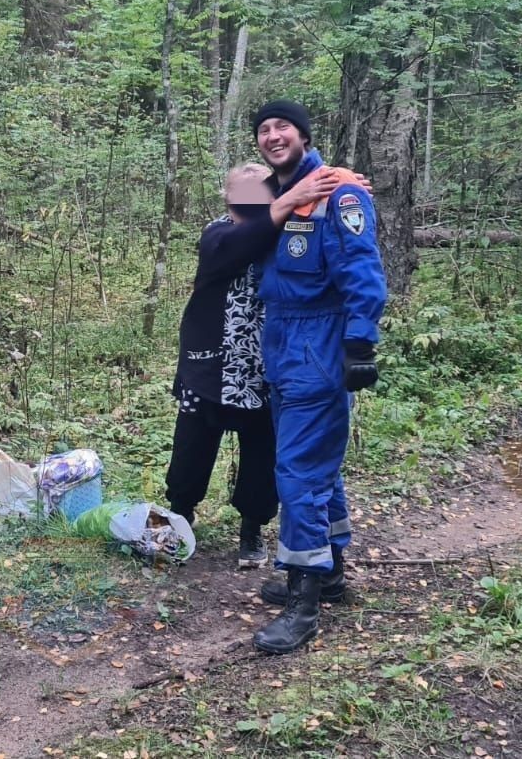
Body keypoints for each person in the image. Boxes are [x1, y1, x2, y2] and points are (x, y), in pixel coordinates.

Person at [249, 100, 386, 655]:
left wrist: (359, 343)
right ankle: (328, 574)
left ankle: (302, 604)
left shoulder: (341, 194)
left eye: (283, 127)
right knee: (317, 466)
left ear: (304, 135)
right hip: (280, 343)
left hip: (320, 345)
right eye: (263, 129)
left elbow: (362, 270)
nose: (273, 136)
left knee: (299, 472)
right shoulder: (270, 198)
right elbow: (232, 233)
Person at [166, 163, 343, 568]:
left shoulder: (287, 233)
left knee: (262, 452)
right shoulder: (217, 235)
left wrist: (344, 181)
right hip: (209, 365)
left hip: (267, 365)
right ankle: (180, 514)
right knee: (192, 447)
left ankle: (252, 528)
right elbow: (241, 244)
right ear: (227, 199)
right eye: (241, 195)